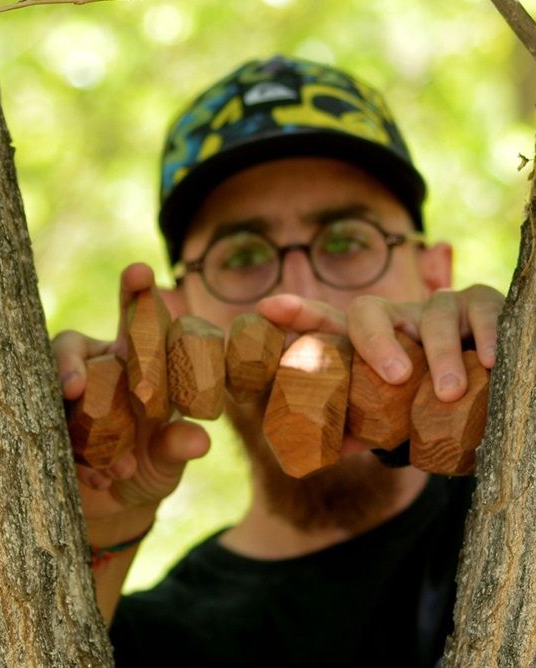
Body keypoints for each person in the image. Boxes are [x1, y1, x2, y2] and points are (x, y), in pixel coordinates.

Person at [52, 55, 504, 667]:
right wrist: (90, 539)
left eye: (347, 243)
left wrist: (528, 377)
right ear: (177, 310)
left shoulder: (534, 494)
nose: (300, 295)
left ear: (433, 276)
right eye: (242, 256)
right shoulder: (147, 641)